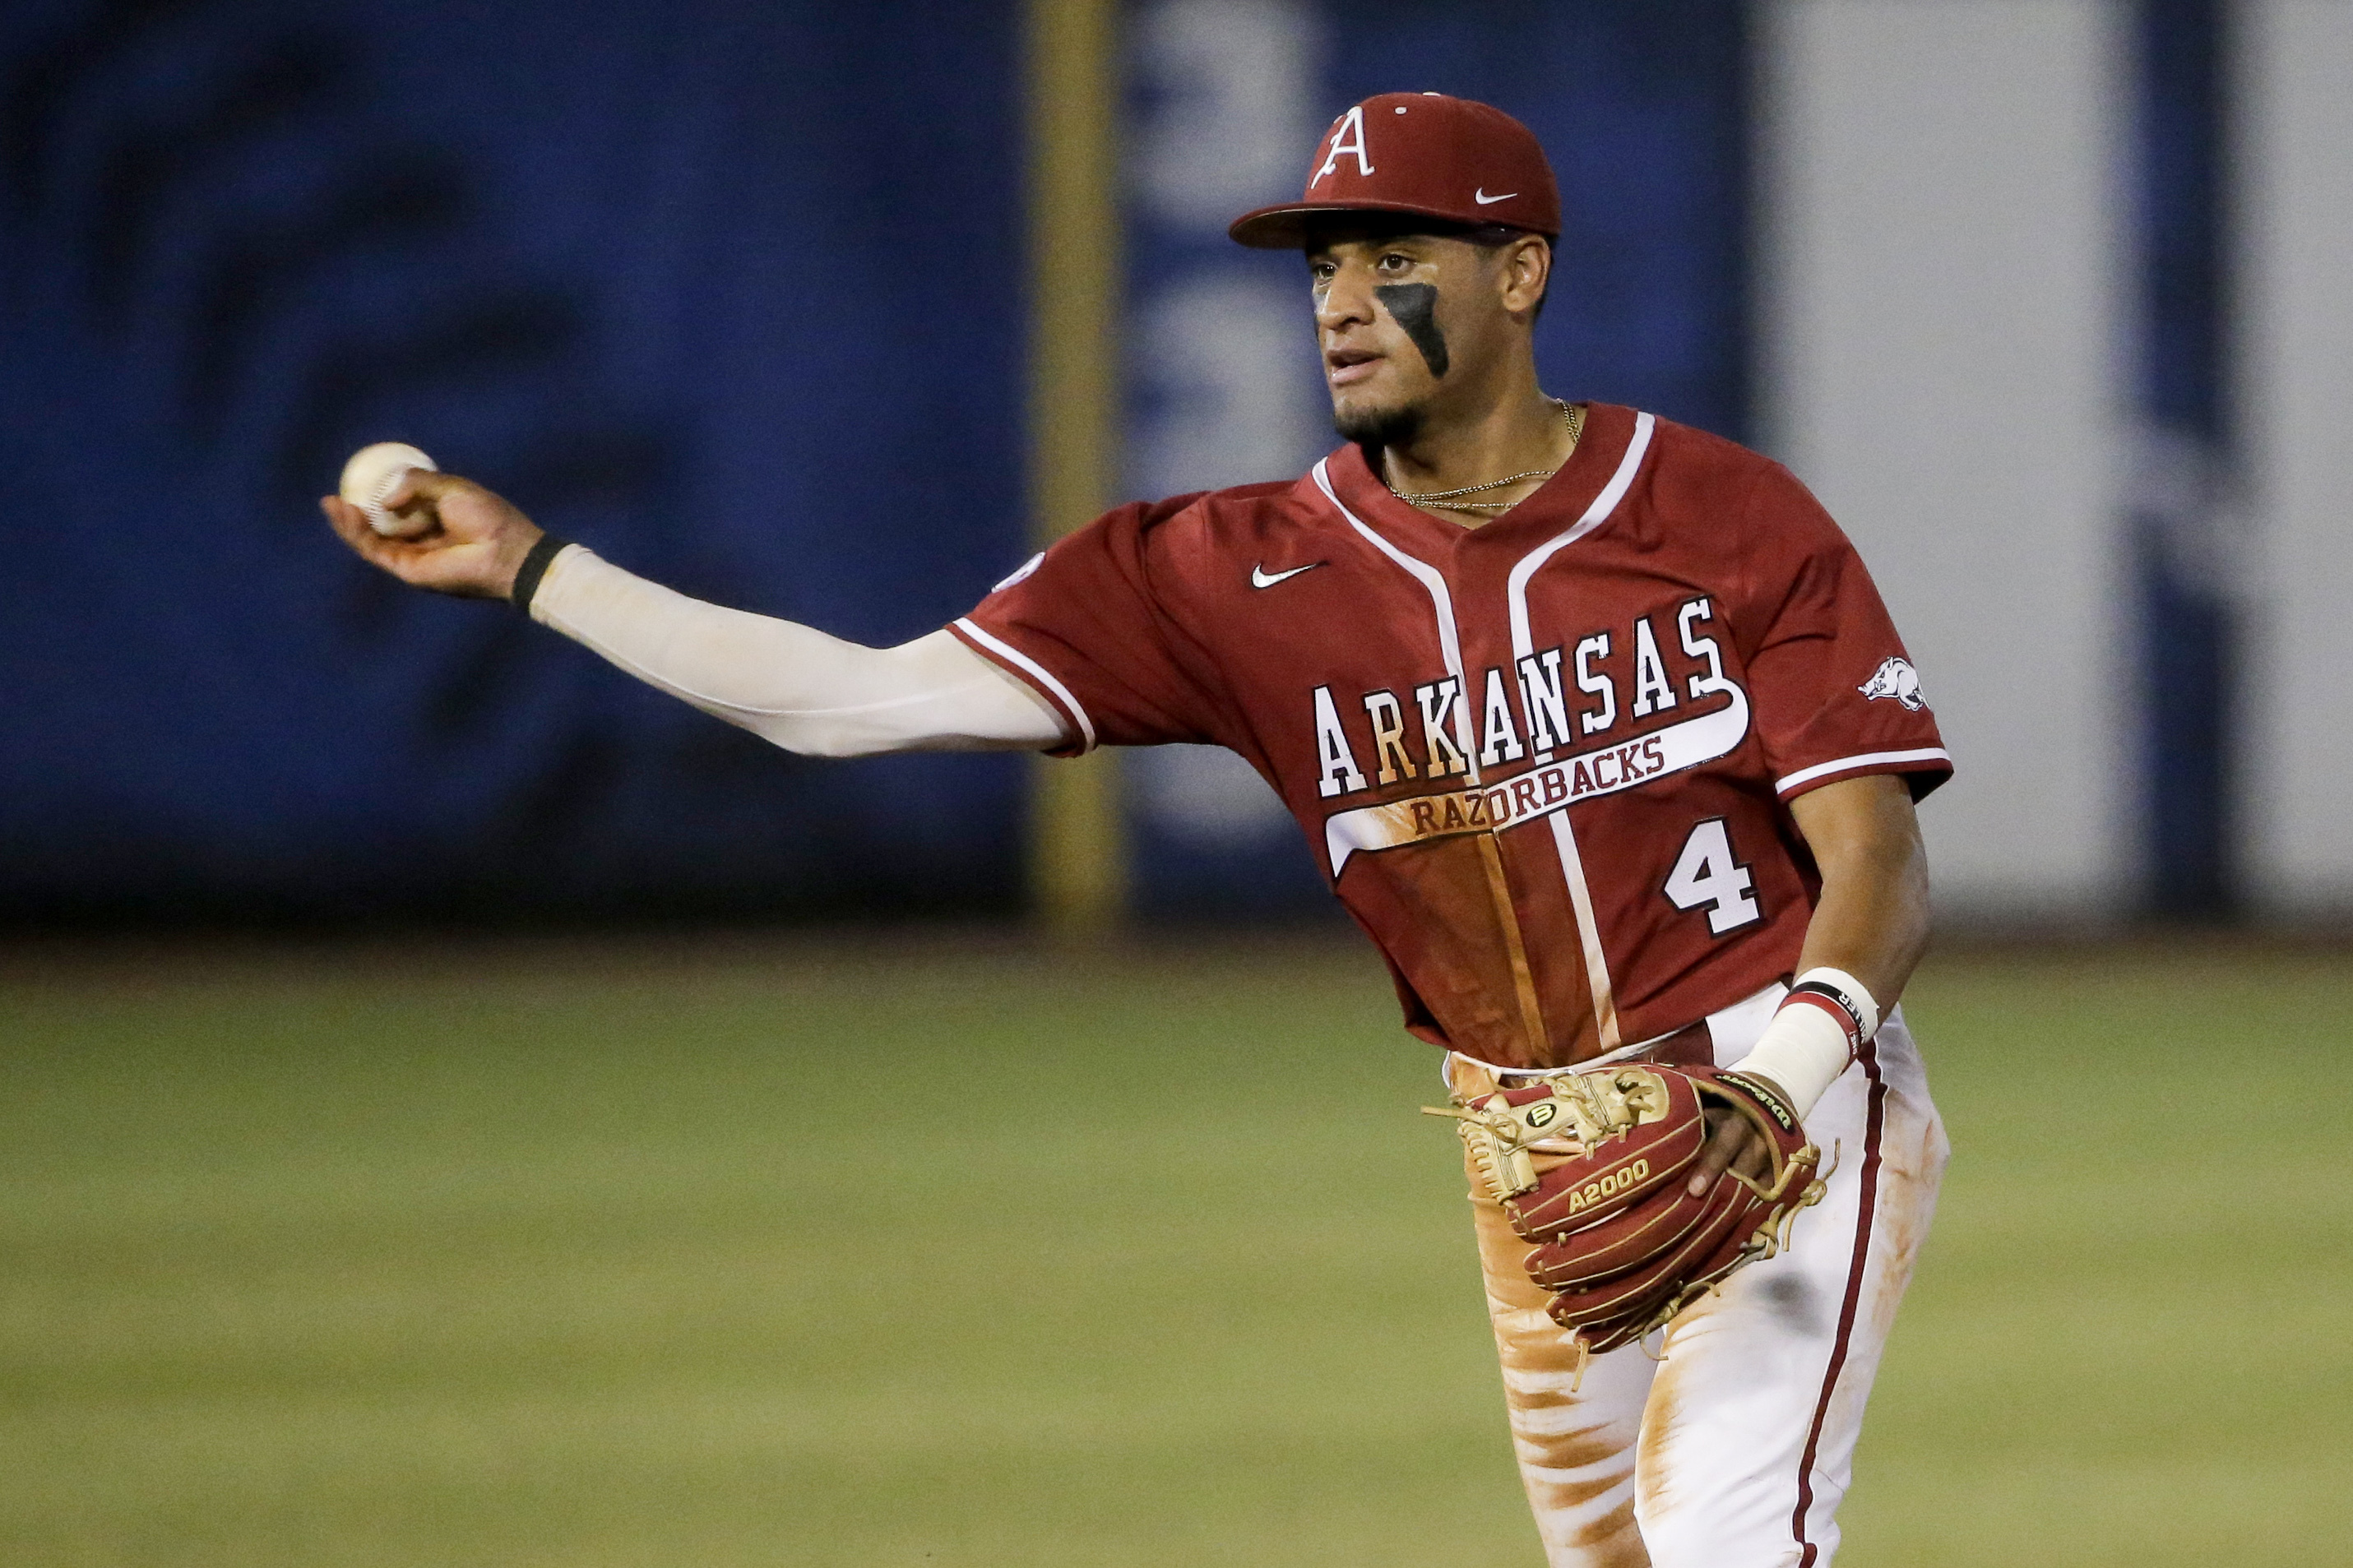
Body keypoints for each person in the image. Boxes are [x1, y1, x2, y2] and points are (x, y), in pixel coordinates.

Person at [325, 92, 1950, 1568]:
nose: (1335, 297)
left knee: (1727, 1544)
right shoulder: (1221, 574)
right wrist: (538, 569)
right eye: (1318, 262)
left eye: (1391, 254)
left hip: (1786, 1086)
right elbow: (848, 704)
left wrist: (1776, 1085)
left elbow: (1874, 855)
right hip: (1533, 1152)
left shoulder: (1722, 514)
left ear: (1518, 276)